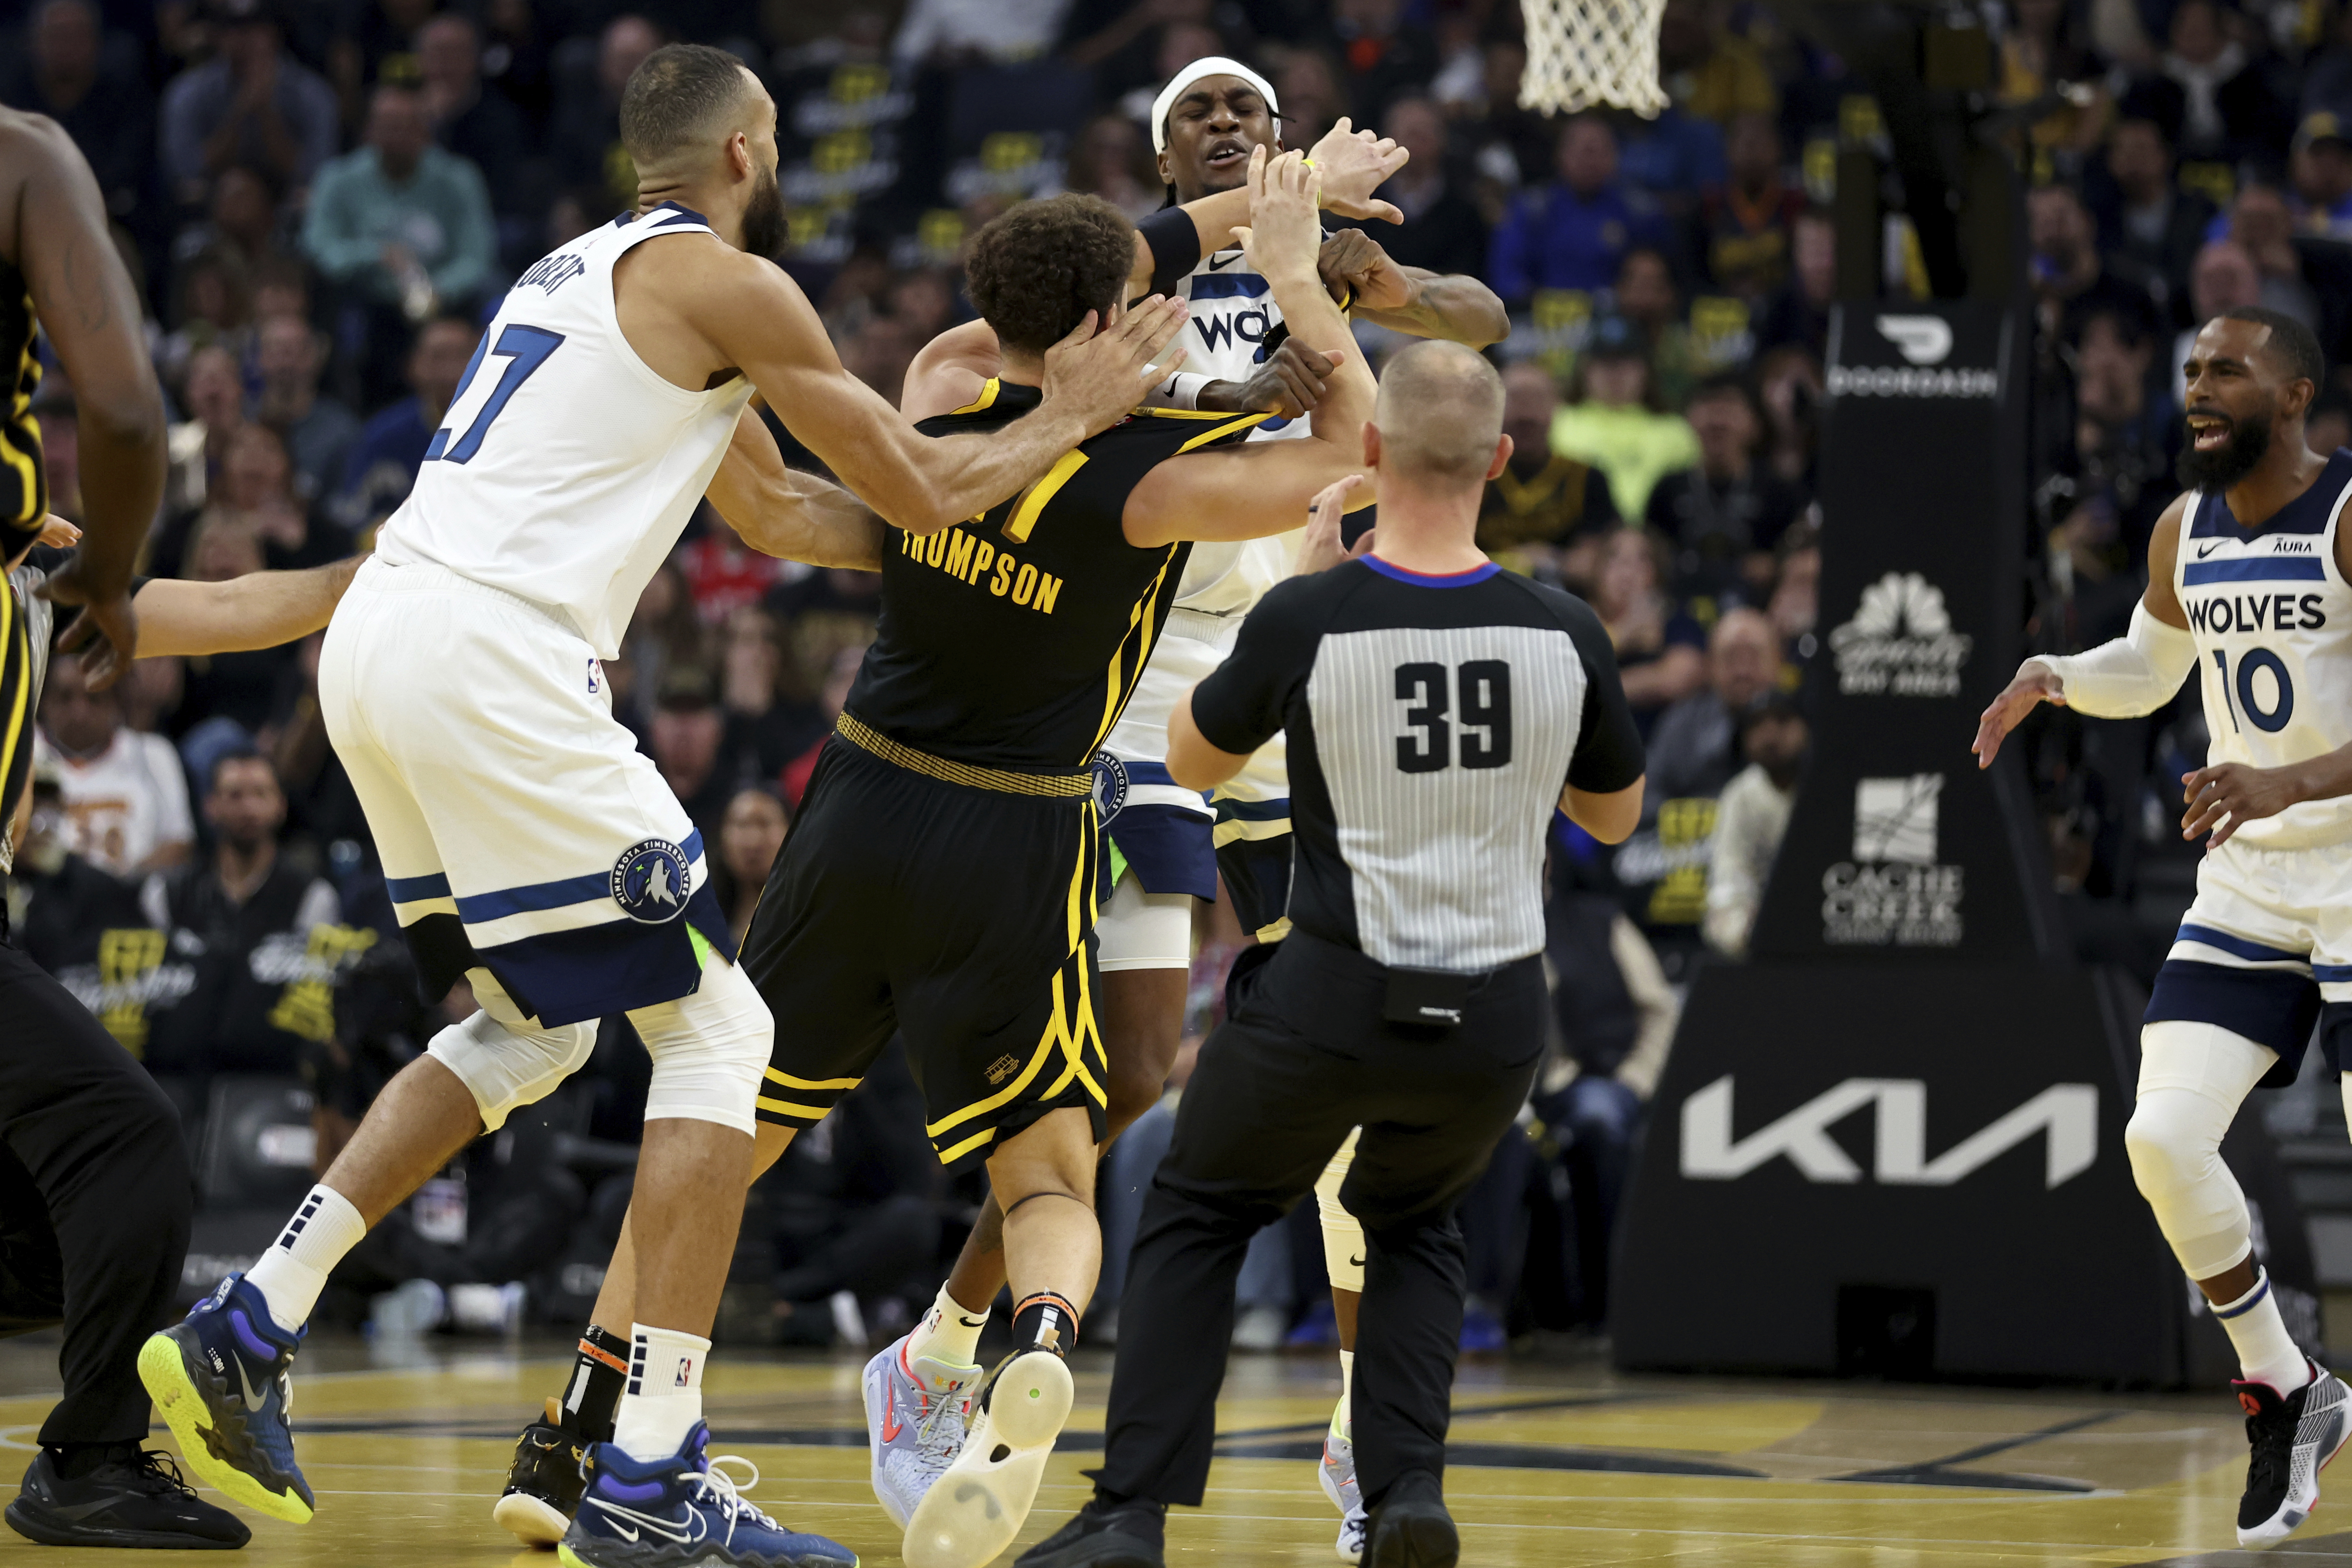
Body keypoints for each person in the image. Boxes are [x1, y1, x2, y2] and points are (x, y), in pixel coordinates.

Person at [141, 41, 1185, 1568]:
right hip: (495, 651)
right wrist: (1074, 417)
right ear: (753, 150)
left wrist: (994, 547)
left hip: (382, 643)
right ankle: (649, 1472)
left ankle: (251, 1314)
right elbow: (915, 485)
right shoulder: (737, 287)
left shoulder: (573, 271)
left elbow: (781, 510)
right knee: (722, 1032)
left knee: (532, 1023)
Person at [843, 60, 1494, 1565]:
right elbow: (1016, 368)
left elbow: (1475, 327)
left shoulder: (1307, 264)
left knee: (1368, 1056)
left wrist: (1384, 277)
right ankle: (940, 1347)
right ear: (1155, 158)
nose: (1230, 130)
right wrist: (1236, 316)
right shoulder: (1121, 290)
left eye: (1249, 117)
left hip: (1286, 698)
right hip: (1135, 698)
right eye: (1201, 117)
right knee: (1133, 1074)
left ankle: (1360, 1435)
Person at [1016, 340, 1647, 1568]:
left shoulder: (1312, 613)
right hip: (1495, 1017)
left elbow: (1191, 766)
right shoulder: (1561, 629)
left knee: (1195, 1207)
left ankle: (1129, 1514)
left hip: (1332, 996)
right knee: (1416, 1227)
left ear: (1367, 453)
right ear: (1502, 463)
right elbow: (1611, 818)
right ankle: (1405, 1492)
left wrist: (1294, 590)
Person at [1974, 307, 2352, 1548]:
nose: (2196, 387)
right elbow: (2151, 664)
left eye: (2223, 371)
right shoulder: (2180, 529)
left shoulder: (2344, 516)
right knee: (2157, 1139)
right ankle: (2281, 1386)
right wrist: (2056, 677)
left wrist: (2283, 783)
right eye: (2189, 369)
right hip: (2247, 886)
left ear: (2291, 396)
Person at [34, 653, 194, 878]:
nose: (79, 713)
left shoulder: (154, 754)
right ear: (43, 701)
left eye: (94, 699)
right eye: (65, 698)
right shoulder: (22, 755)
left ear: (116, 703)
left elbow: (179, 845)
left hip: (131, 900)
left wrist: (122, 889)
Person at [1703, 689, 1806, 959]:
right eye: (1757, 725)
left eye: (1783, 721)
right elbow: (1728, 881)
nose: (1770, 736)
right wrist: (1746, 932)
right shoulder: (1742, 795)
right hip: (1763, 938)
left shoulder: (1830, 786)